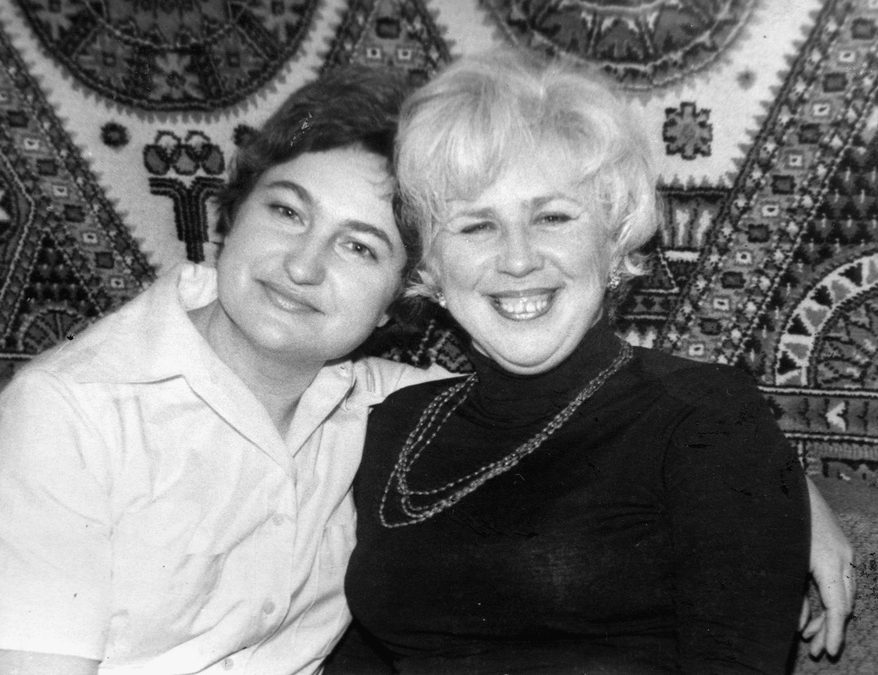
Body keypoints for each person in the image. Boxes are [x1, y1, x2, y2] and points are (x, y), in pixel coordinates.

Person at [0, 66, 451, 675]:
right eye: (287, 212)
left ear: (398, 299)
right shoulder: (69, 410)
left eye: (359, 247)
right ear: (234, 217)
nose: (302, 266)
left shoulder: (383, 405)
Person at [339, 48, 847, 673]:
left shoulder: (704, 415)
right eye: (476, 227)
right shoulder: (396, 424)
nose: (518, 259)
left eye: (552, 217)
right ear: (432, 267)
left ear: (614, 242)